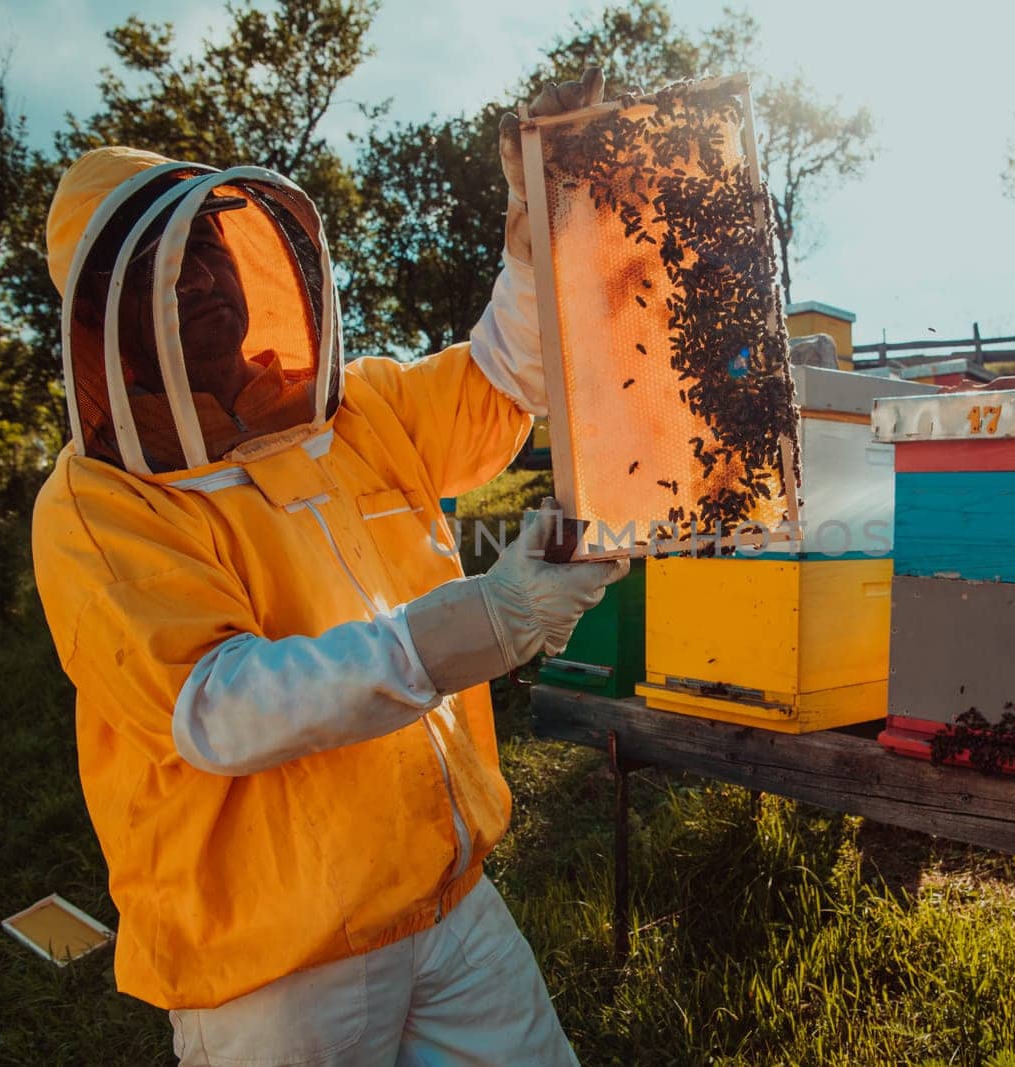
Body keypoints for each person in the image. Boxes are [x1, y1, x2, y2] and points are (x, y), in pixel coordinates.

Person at [31, 70, 622, 1065]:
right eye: (164, 273)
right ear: (102, 316)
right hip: (275, 960)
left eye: (211, 249)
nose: (203, 280)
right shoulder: (100, 506)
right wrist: (491, 617)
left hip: (445, 893)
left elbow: (501, 372)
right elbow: (221, 705)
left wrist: (534, 236)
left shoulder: (354, 413)